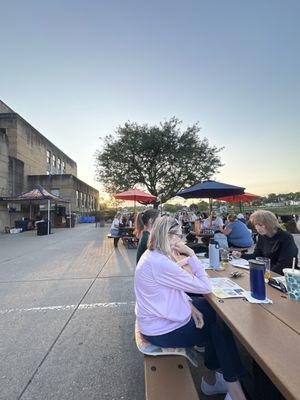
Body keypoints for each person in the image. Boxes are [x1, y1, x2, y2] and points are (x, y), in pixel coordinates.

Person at [135, 217, 247, 400]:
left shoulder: (153, 255)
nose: (182, 240)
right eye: (180, 236)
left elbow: (168, 287)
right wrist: (191, 255)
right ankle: (231, 388)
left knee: (211, 314)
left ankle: (216, 381)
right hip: (161, 330)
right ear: (169, 236)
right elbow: (205, 287)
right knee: (218, 323)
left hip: (155, 320)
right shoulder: (160, 263)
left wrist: (188, 304)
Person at [232, 210, 298, 275]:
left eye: (260, 225)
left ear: (270, 223)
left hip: (283, 275)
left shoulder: (286, 237)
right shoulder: (262, 236)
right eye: (256, 225)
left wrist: (266, 275)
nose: (258, 228)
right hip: (267, 272)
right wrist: (241, 255)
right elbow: (256, 255)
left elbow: (284, 264)